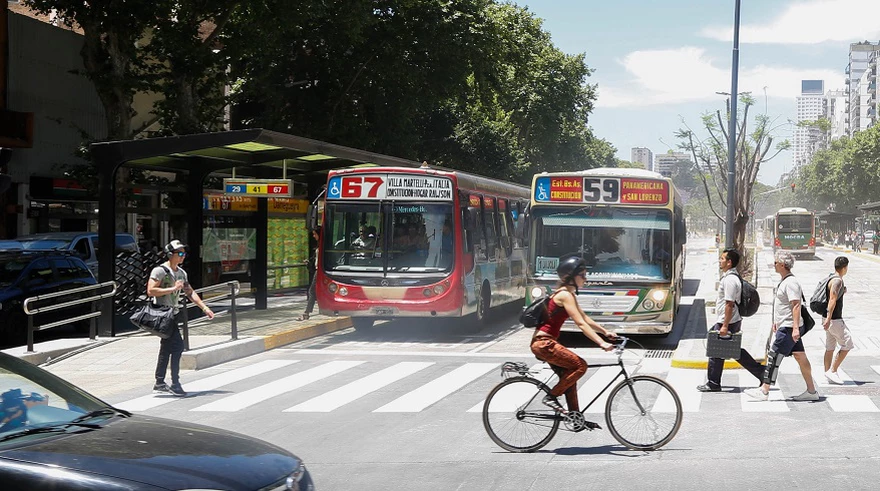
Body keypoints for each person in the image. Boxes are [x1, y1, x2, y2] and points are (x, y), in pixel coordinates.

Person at [530, 255, 617, 417]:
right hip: (544, 343)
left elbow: (585, 318)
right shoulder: (564, 295)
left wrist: (605, 332)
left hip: (545, 343)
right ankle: (551, 397)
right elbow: (581, 324)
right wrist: (601, 343)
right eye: (582, 275)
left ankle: (575, 417)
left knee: (569, 377)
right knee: (580, 366)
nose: (585, 278)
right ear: (570, 278)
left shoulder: (568, 295)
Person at [744, 251, 819, 402]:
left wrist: (796, 328)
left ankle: (764, 390)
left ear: (783, 265)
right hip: (786, 326)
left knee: (774, 356)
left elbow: (796, 305)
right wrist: (776, 322)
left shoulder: (791, 283)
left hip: (789, 328)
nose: (774, 265)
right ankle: (811, 391)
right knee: (800, 356)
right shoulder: (785, 281)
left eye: (776, 262)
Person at [147, 239, 215, 397]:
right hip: (162, 314)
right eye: (180, 253)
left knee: (166, 347)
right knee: (177, 347)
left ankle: (159, 382)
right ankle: (175, 383)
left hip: (173, 314)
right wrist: (173, 288)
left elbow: (190, 292)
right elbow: (150, 291)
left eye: (184, 253)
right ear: (170, 254)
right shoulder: (160, 271)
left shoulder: (181, 273)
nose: (183, 256)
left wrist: (204, 308)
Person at [697, 249, 766, 392]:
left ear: (729, 262)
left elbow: (729, 304)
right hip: (730, 320)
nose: (720, 261)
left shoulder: (730, 280)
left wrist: (724, 326)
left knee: (716, 349)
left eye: (722, 259)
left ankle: (713, 383)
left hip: (727, 321)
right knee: (731, 350)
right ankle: (760, 372)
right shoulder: (731, 277)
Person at [822, 256, 853, 385]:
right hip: (834, 319)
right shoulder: (838, 281)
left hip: (827, 318)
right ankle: (832, 371)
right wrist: (829, 318)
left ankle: (827, 373)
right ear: (844, 268)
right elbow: (832, 299)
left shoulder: (831, 277)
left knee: (830, 347)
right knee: (848, 343)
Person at [298, 226, 321, 321]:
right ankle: (307, 312)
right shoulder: (320, 244)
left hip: (319, 271)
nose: (314, 236)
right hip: (318, 270)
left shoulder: (323, 245)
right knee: (313, 291)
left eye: (315, 234)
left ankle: (306, 313)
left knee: (312, 291)